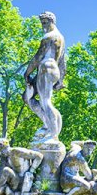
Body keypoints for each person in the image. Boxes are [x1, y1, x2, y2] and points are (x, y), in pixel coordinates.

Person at [23, 11, 66, 144]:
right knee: (27, 97)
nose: (43, 25)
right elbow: (63, 62)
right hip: (51, 70)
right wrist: (61, 79)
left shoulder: (49, 36)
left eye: (45, 22)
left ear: (52, 21)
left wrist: (27, 73)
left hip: (46, 68)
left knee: (45, 102)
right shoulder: (61, 38)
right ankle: (48, 125)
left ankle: (53, 133)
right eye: (42, 23)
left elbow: (38, 57)